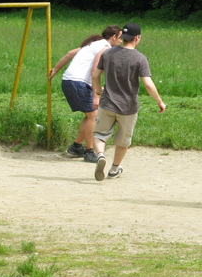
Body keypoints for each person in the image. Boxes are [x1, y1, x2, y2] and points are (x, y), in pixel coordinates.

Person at [91, 22, 166, 181]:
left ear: (122, 37)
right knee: (123, 140)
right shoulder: (139, 58)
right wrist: (159, 101)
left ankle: (100, 156)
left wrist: (98, 91)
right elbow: (148, 83)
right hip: (128, 107)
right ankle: (114, 169)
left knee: (99, 134)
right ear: (137, 37)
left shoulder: (108, 54)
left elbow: (95, 75)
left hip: (107, 103)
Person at [49, 25, 123, 163]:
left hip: (70, 81)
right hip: (79, 83)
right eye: (120, 38)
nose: (121, 41)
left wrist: (56, 69)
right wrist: (97, 95)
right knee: (92, 116)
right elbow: (95, 70)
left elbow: (70, 53)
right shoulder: (105, 48)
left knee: (89, 115)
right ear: (114, 36)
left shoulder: (94, 44)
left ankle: (76, 147)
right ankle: (89, 151)